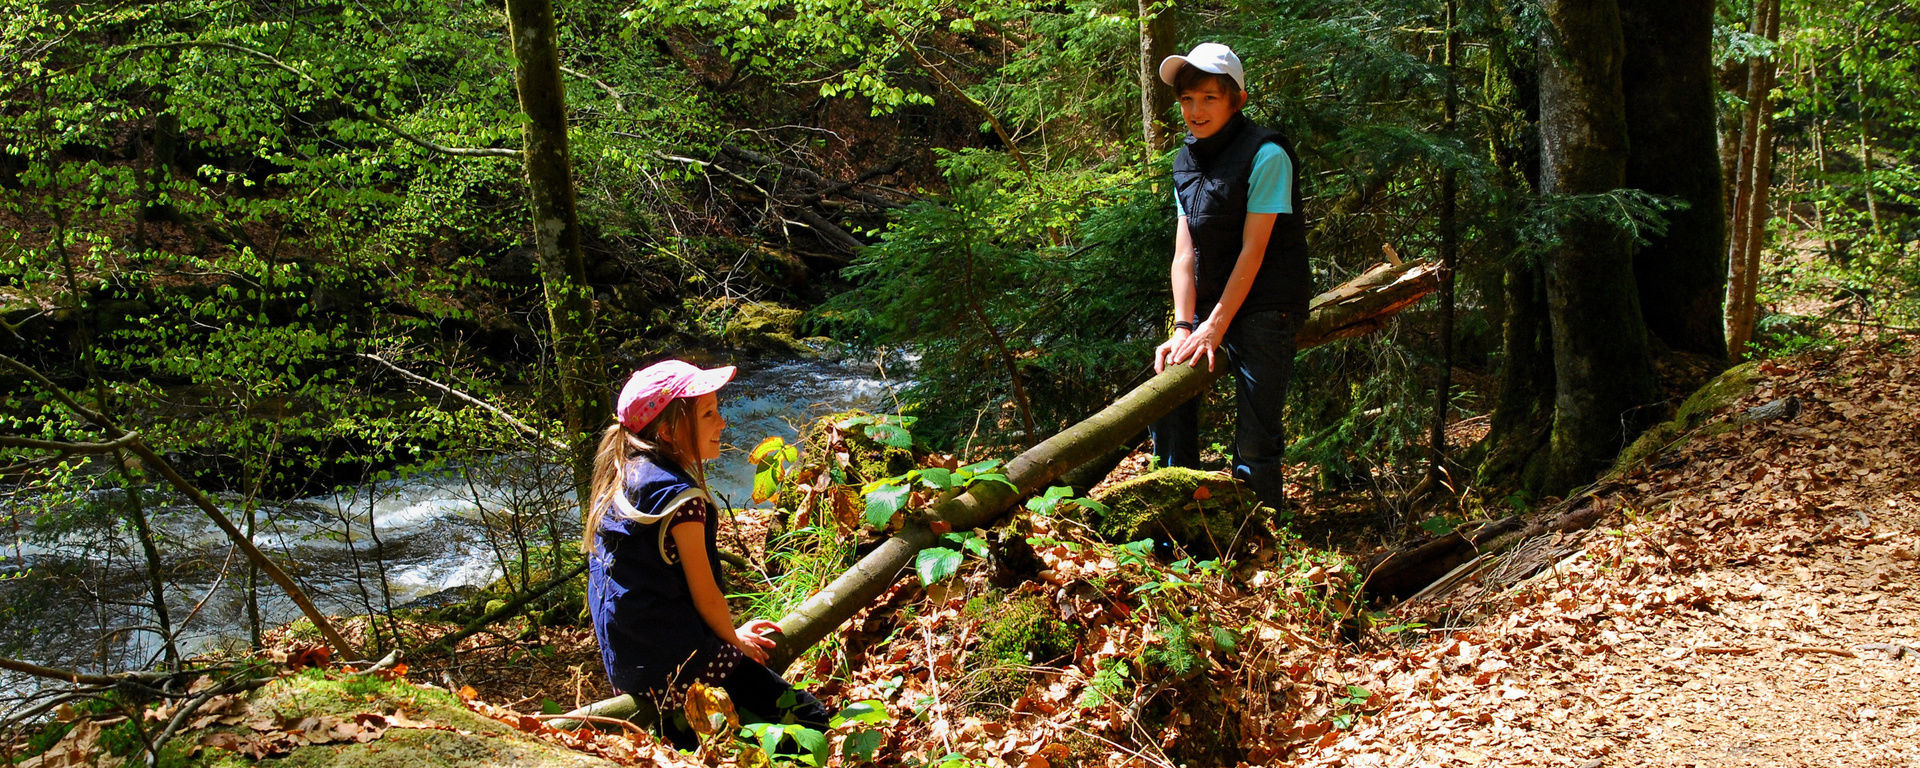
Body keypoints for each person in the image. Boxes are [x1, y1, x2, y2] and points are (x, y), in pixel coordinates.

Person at [582, 359, 831, 749]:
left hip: (633, 666)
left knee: (696, 748)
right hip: (681, 662)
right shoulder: (680, 499)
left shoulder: (622, 477)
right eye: (709, 413)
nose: (723, 423)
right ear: (667, 431)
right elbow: (705, 592)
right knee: (810, 722)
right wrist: (733, 641)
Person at [1149, 42, 1312, 508]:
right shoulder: (1186, 161)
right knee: (1166, 396)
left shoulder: (1267, 154)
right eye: (1186, 100)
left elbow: (1254, 250)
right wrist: (1184, 326)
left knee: (1255, 440)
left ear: (1236, 100)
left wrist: (1215, 326)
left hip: (1266, 304)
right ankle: (1181, 524)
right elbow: (1184, 254)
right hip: (1208, 309)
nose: (1195, 111)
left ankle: (1260, 541)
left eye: (1208, 98)